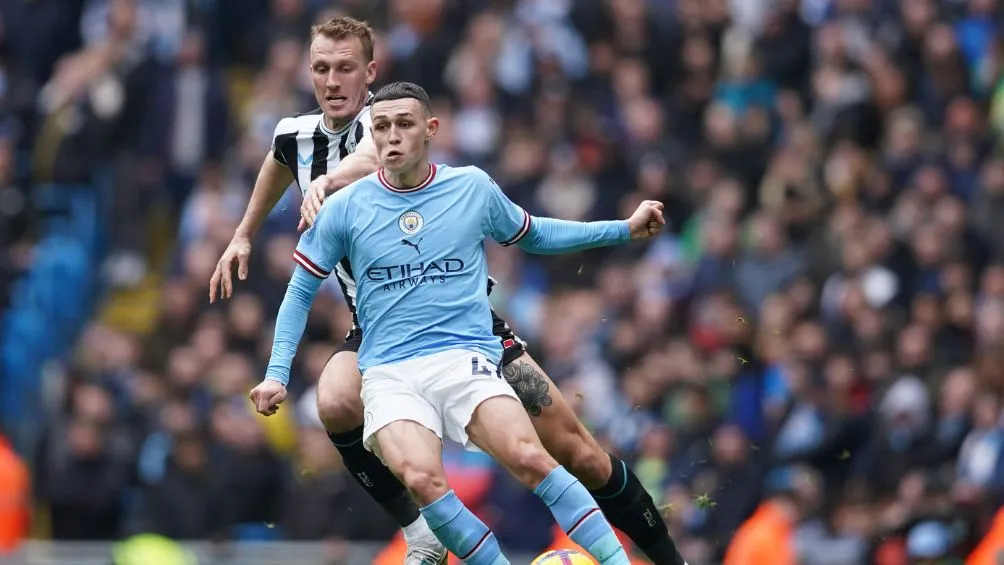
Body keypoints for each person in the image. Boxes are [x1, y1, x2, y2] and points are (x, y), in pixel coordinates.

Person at [211, 16, 687, 565]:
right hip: (379, 329)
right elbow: (279, 164)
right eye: (322, 68)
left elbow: (378, 156)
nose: (333, 80)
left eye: (346, 68)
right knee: (335, 400)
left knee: (580, 454)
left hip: (468, 327)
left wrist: (330, 180)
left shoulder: (386, 125)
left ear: (370, 75)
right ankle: (420, 530)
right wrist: (243, 234)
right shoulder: (296, 136)